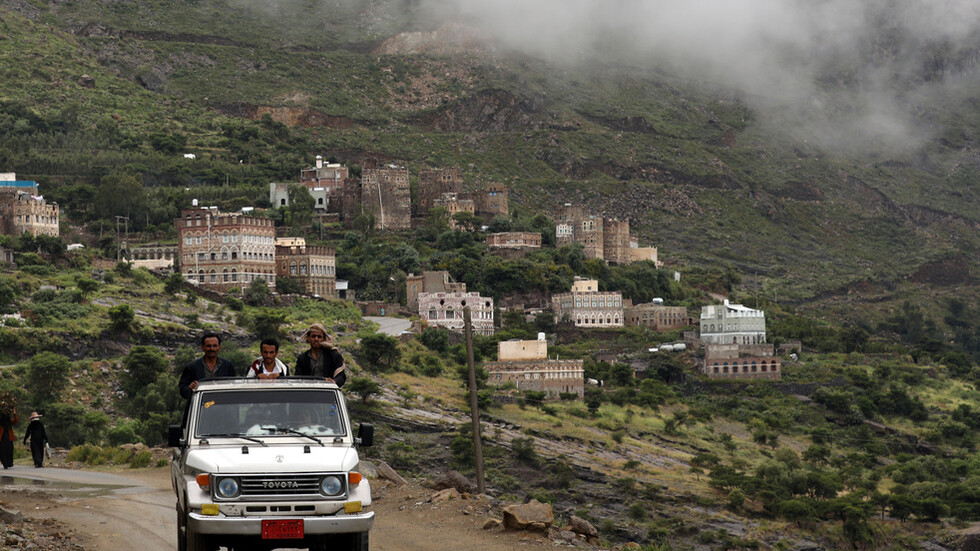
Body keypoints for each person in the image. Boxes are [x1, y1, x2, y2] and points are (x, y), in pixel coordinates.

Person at [179, 333, 238, 399]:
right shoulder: (191, 367)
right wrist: (190, 388)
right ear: (202, 348)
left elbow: (234, 387)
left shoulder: (227, 366)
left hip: (223, 404)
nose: (212, 349)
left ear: (219, 348)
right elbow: (182, 390)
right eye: (208, 346)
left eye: (215, 346)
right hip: (201, 404)